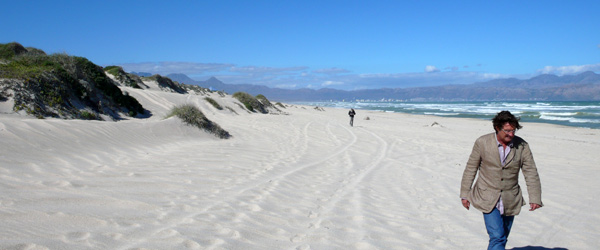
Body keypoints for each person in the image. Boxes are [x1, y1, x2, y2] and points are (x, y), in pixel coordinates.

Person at [460, 111, 543, 250]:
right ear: (497, 128)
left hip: (511, 198)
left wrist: (535, 198)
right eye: (507, 131)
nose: (511, 134)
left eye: (513, 131)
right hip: (487, 196)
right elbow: (471, 168)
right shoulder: (482, 142)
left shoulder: (522, 146)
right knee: (497, 236)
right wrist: (464, 194)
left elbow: (531, 172)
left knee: (502, 236)